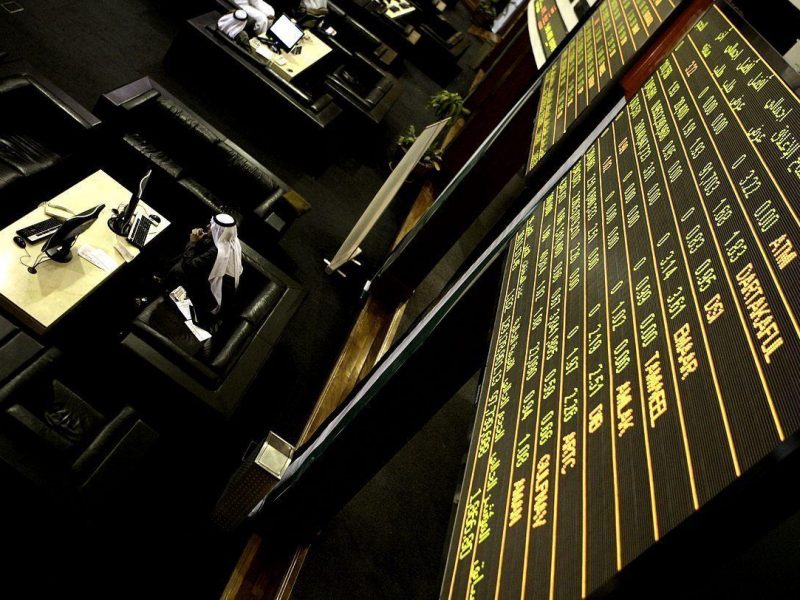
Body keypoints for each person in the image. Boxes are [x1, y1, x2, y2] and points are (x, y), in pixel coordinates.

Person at [168, 214, 243, 319]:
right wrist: (202, 239)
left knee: (179, 268)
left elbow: (190, 265)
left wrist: (192, 242)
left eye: (211, 226)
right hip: (208, 278)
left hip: (208, 296)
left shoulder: (217, 251)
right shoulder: (230, 240)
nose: (208, 226)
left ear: (219, 231)